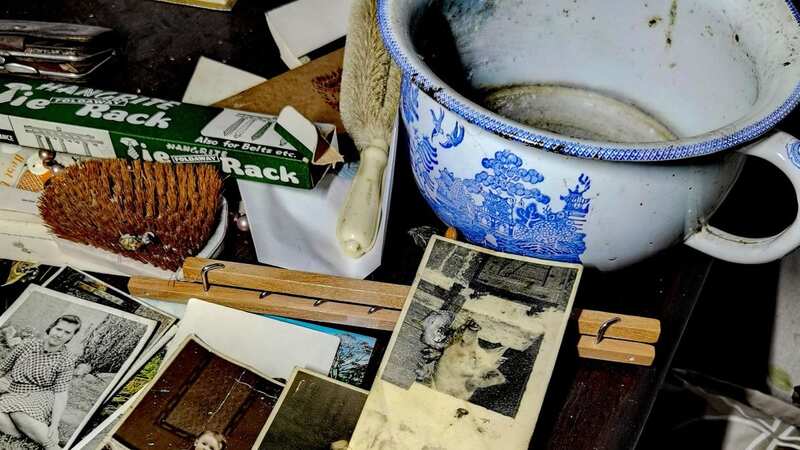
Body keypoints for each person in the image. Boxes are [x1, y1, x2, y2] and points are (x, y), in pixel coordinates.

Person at [0, 315, 81, 450]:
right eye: (59, 329)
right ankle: (28, 433)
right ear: (51, 328)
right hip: (14, 392)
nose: (60, 335)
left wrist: (54, 426)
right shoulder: (26, 345)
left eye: (67, 332)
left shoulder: (66, 359)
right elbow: (2, 369)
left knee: (18, 412)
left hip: (42, 394)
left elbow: (61, 394)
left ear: (71, 336)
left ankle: (52, 446)